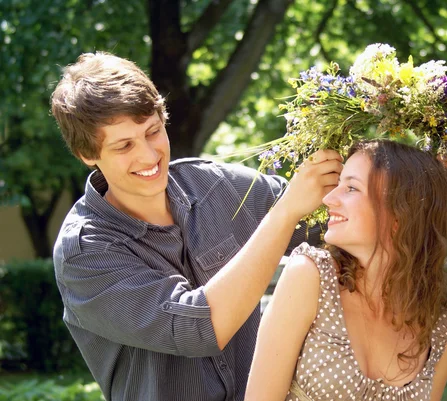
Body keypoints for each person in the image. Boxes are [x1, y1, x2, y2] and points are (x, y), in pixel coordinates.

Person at [50, 51, 344, 401]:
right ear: (87, 154)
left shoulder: (219, 185)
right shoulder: (84, 252)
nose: (148, 155)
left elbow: (339, 227)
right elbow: (196, 328)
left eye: (153, 132)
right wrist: (284, 214)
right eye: (124, 145)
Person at [245, 140, 447, 401]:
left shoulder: (446, 325)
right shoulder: (311, 277)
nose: (329, 199)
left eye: (351, 187)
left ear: (401, 212)